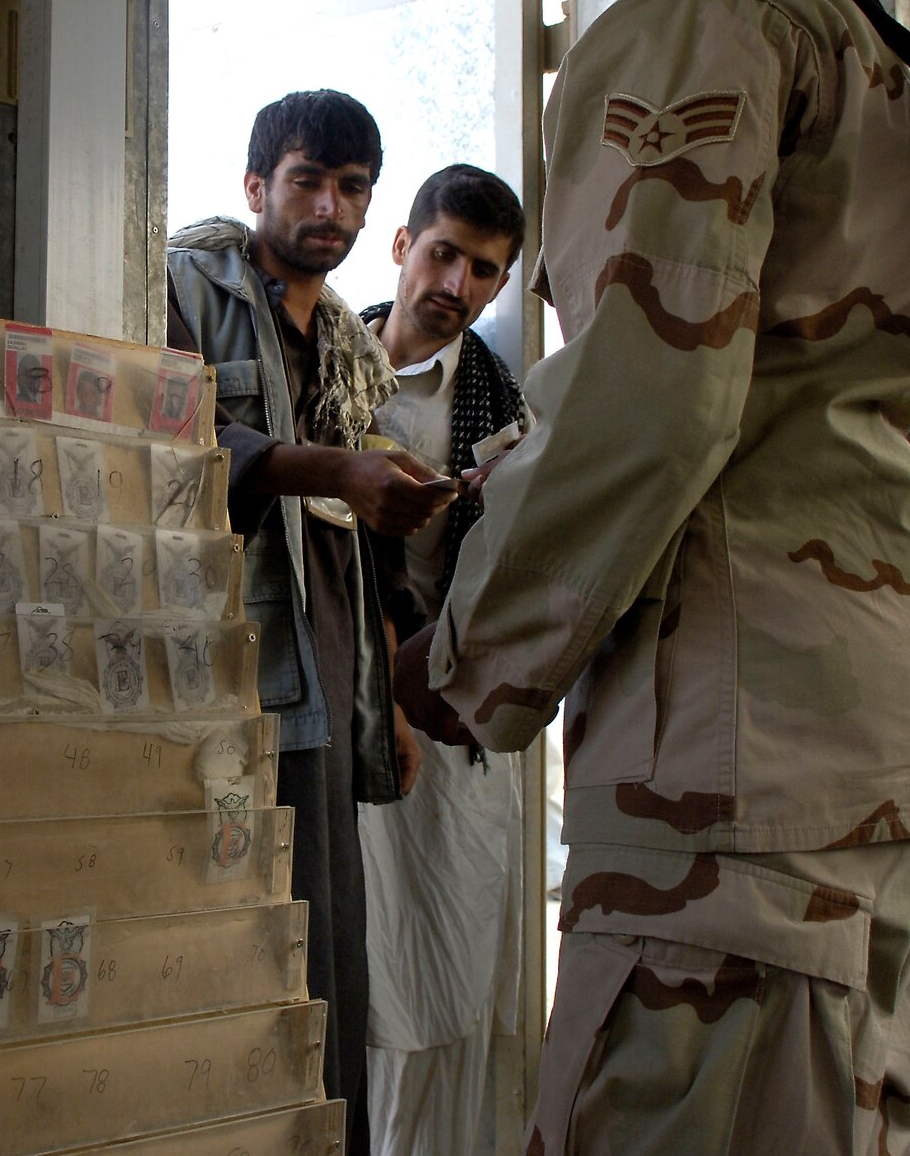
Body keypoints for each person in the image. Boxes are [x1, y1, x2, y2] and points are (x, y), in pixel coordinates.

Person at [397, 0, 910, 1152]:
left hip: (731, 765)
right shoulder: (893, 64)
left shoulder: (692, 23)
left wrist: (463, 656)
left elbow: (647, 399)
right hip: (870, 725)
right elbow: (791, 384)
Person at [167, 89, 455, 1151]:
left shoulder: (347, 342)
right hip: (223, 674)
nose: (328, 206)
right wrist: (331, 466)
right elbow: (174, 438)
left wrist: (395, 703)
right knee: (232, 938)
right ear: (254, 187)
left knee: (325, 944)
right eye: (306, 180)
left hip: (329, 677)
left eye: (351, 188)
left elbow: (364, 549)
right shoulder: (184, 285)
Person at [357, 166, 530, 1156]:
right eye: (443, 253)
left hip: (449, 726)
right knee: (358, 966)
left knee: (454, 980)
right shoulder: (327, 366)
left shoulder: (506, 413)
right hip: (344, 703)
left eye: (483, 270)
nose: (456, 283)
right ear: (402, 245)